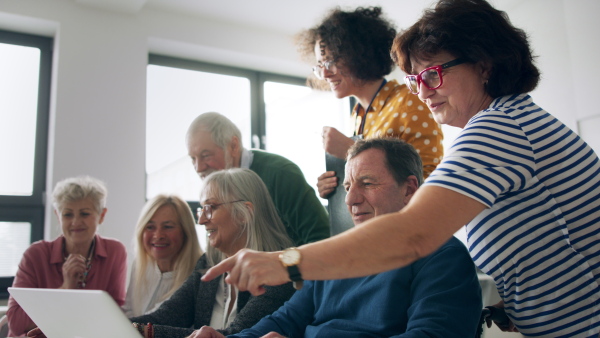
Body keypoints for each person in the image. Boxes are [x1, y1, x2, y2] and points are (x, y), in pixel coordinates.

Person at [202, 0, 600, 336]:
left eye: (433, 73)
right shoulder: (504, 124)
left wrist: (284, 262)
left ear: (484, 65)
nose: (424, 91)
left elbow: (413, 234)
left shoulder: (498, 128)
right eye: (415, 80)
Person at [187, 138, 482, 338]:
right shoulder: (334, 256)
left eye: (367, 184)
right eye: (348, 185)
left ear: (409, 189)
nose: (351, 199)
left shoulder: (443, 255)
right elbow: (285, 319)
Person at [129, 168, 296, 338]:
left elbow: (235, 335)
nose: (201, 220)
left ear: (244, 213)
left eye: (211, 207)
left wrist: (144, 331)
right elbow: (166, 316)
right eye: (202, 209)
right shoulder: (208, 262)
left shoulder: (278, 270)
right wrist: (121, 324)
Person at [297, 7, 444, 199]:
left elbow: (427, 181)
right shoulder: (357, 115)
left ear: (359, 54)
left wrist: (351, 151)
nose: (324, 73)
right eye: (320, 65)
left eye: (330, 61)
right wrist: (338, 185)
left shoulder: (408, 101)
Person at [7, 176, 127, 337]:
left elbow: (114, 316)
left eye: (84, 214)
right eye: (68, 215)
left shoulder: (115, 251)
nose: (76, 222)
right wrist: (65, 289)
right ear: (58, 215)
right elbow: (15, 323)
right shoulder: (35, 255)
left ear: (102, 215)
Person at [186, 112, 329, 246]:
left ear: (233, 146)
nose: (198, 168)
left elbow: (321, 238)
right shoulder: (213, 193)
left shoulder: (280, 174)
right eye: (193, 159)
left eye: (206, 156)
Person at [123, 194, 203, 317]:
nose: (158, 235)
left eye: (168, 227)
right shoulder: (140, 264)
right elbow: (129, 311)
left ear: (186, 231)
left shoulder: (199, 273)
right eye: (150, 227)